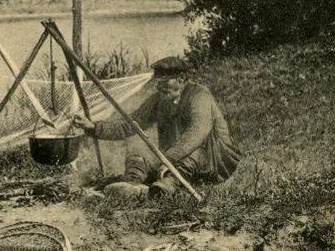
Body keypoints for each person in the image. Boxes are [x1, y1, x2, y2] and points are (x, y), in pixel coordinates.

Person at [73, 56, 241, 199]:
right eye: (157, 82)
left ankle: (164, 187)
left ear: (181, 79)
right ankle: (132, 184)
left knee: (194, 151)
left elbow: (197, 132)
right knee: (137, 149)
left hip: (214, 159)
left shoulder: (199, 96)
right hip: (172, 159)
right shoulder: (160, 99)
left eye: (164, 82)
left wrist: (170, 158)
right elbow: (130, 124)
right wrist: (93, 127)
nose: (159, 87)